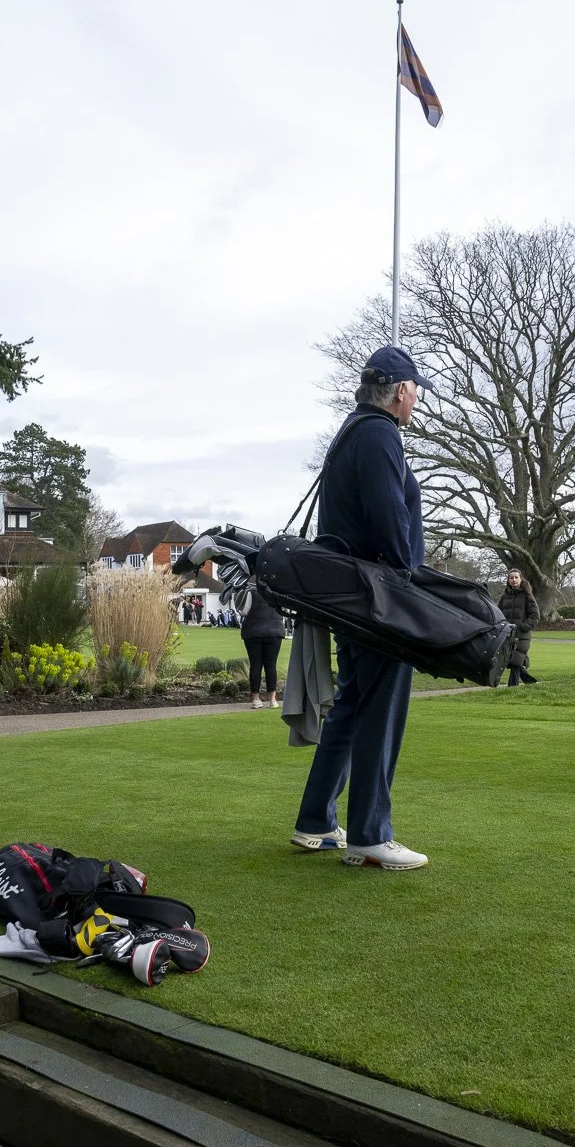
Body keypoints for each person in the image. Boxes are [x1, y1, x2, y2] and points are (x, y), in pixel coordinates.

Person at [290, 345, 431, 871]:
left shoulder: (354, 430)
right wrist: (408, 583)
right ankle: (370, 835)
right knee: (380, 711)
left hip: (354, 595)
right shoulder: (378, 433)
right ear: (401, 391)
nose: (416, 401)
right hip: (379, 599)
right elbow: (388, 517)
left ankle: (317, 821)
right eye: (415, 392)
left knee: (352, 707)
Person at [240, 581, 286, 709]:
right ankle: (272, 699)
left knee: (255, 665)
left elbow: (244, 611)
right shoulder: (278, 591)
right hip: (274, 631)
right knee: (271, 665)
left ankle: (255, 699)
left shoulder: (251, 592)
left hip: (254, 631)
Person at [497, 569, 540, 686]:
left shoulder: (527, 596)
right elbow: (498, 614)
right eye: (511, 578)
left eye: (516, 577)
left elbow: (535, 615)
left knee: (516, 661)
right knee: (513, 661)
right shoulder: (504, 597)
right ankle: (531, 682)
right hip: (507, 635)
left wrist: (524, 626)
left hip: (522, 635)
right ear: (508, 580)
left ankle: (512, 687)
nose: (514, 580)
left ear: (521, 579)